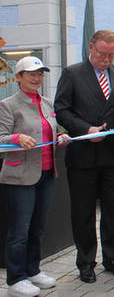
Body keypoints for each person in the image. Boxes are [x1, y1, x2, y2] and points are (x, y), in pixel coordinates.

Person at [55, 30, 114, 283]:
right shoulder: (72, 74)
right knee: (83, 212)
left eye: (111, 55)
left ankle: (112, 256)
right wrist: (85, 129)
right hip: (84, 156)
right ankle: (85, 262)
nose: (106, 59)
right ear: (90, 48)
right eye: (102, 54)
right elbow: (61, 109)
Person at [0, 57, 70, 297]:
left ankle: (33, 270)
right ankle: (15, 279)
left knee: (38, 228)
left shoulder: (47, 103)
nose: (36, 78)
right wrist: (16, 139)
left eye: (40, 74)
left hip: (47, 173)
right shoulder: (7, 105)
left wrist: (61, 135)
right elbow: (1, 139)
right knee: (19, 231)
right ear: (18, 77)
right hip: (19, 177)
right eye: (30, 74)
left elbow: (54, 128)